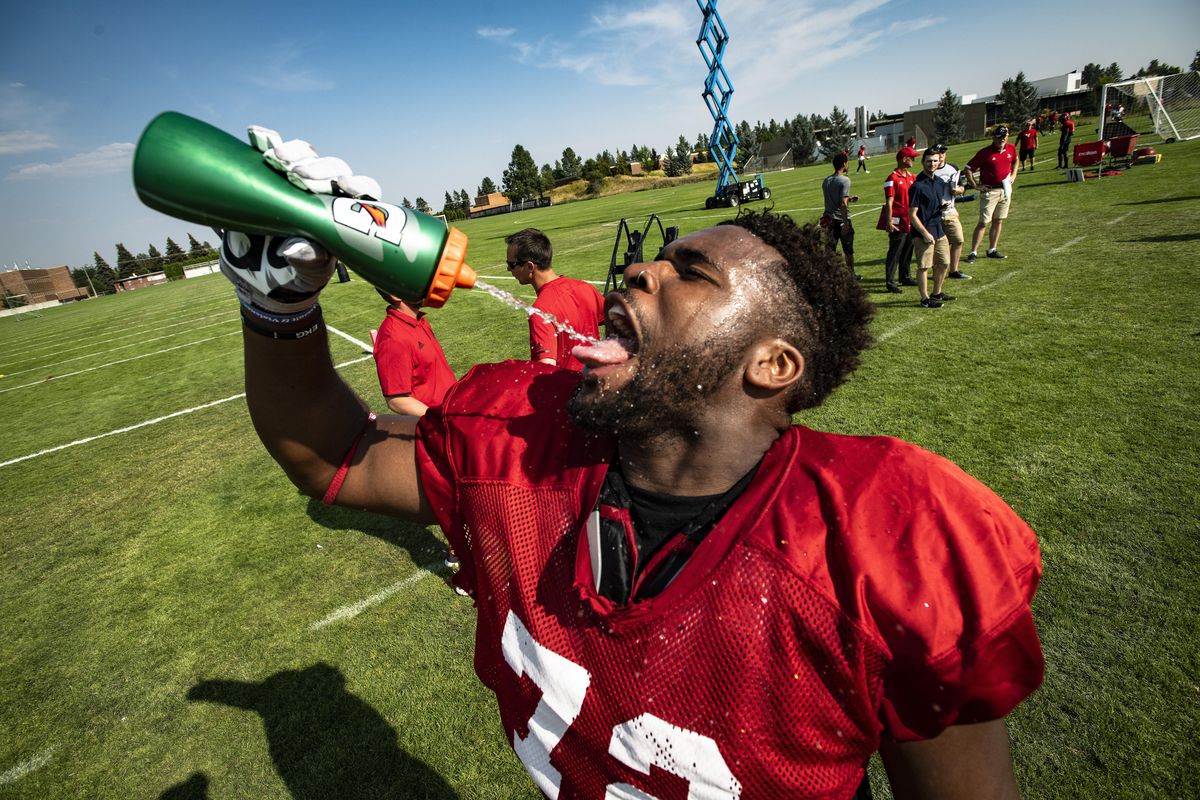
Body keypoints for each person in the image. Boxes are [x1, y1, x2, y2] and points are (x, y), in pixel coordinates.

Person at [223, 189, 1044, 797]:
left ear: (773, 364)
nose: (642, 269)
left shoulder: (878, 540)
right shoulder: (523, 438)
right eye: (660, 257)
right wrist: (276, 303)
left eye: (691, 272)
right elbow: (336, 455)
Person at [506, 227, 604, 371]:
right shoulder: (585, 288)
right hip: (598, 381)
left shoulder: (540, 311)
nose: (509, 269)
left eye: (511, 264)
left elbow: (546, 368)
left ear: (529, 267)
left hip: (571, 390)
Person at [372, 289, 457, 416]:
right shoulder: (393, 337)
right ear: (395, 295)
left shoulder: (420, 321)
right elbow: (397, 400)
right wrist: (438, 419)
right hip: (441, 423)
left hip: (455, 407)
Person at [909, 148, 956, 309]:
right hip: (923, 233)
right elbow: (912, 214)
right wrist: (924, 233)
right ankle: (924, 299)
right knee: (924, 266)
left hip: (938, 230)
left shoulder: (939, 182)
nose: (932, 164)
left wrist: (943, 207)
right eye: (929, 161)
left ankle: (937, 293)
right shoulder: (917, 186)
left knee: (944, 262)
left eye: (935, 161)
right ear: (923, 162)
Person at [963, 125, 1018, 264]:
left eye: (1004, 137)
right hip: (990, 191)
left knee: (998, 220)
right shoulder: (985, 152)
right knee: (983, 222)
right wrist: (976, 185)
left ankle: (992, 249)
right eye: (999, 137)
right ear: (993, 138)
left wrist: (1013, 175)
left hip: (1005, 189)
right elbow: (968, 169)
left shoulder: (1011, 148)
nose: (1002, 140)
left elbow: (1015, 160)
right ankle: (973, 252)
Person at [877, 146, 920, 293]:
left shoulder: (912, 177)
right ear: (904, 159)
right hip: (897, 220)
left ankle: (905, 276)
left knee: (908, 248)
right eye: (911, 157)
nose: (914, 160)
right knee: (895, 251)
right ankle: (890, 281)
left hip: (910, 220)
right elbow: (889, 201)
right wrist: (888, 221)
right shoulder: (892, 178)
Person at [931, 143, 971, 281]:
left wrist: (959, 190)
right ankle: (936, 271)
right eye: (938, 152)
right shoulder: (930, 170)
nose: (941, 155)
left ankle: (954, 270)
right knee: (938, 244)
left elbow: (961, 186)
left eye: (943, 152)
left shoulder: (952, 168)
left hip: (950, 212)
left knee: (958, 240)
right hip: (934, 214)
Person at [822, 153, 860, 275]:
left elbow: (835, 199)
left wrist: (849, 198)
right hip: (840, 219)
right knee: (848, 250)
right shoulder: (845, 180)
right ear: (844, 164)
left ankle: (829, 275)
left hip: (828, 219)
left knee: (830, 250)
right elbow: (842, 204)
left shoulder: (826, 181)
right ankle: (851, 276)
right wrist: (845, 223)